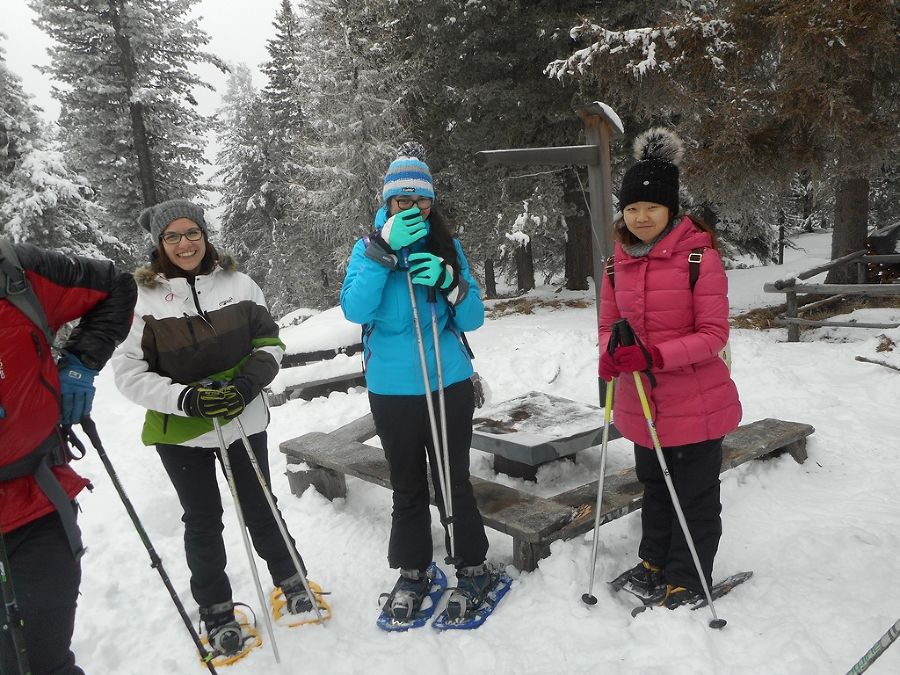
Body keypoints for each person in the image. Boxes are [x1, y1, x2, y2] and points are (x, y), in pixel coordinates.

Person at [111, 199, 318, 658]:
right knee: (202, 520)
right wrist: (187, 399)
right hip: (181, 433)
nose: (185, 243)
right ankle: (217, 609)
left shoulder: (239, 283)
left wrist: (246, 385)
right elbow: (128, 374)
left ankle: (292, 579)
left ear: (205, 235)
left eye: (192, 233)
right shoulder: (140, 300)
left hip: (244, 420)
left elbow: (269, 341)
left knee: (261, 507)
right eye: (173, 236)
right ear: (159, 243)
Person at [340, 142, 495, 621]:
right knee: (406, 484)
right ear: (387, 203)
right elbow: (355, 309)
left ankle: (472, 564)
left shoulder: (447, 245)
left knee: (454, 480)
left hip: (446, 383)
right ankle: (412, 568)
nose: (412, 208)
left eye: (421, 200)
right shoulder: (367, 248)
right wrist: (383, 252)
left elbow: (472, 319)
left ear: (432, 202)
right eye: (401, 201)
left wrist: (451, 282)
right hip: (392, 388)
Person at [599, 128, 742, 608]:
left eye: (651, 208)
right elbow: (606, 323)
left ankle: (689, 574)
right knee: (655, 487)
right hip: (640, 401)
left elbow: (713, 336)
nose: (640, 218)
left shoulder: (700, 257)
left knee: (694, 495)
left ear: (670, 209)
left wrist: (654, 356)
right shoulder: (617, 264)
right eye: (632, 209)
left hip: (695, 402)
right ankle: (654, 560)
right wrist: (610, 352)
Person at [0, 239, 137, 675]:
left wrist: (80, 365)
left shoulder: (16, 272)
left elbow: (116, 286)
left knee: (44, 660)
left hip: (35, 502)